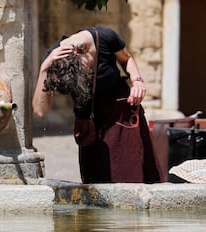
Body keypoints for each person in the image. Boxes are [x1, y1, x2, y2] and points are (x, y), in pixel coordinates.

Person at [33, 26, 163, 183]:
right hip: (90, 126)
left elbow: (126, 59)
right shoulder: (55, 58)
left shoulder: (106, 37)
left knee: (133, 177)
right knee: (96, 186)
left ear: (82, 53)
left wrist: (137, 82)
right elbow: (40, 111)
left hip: (122, 120)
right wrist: (44, 68)